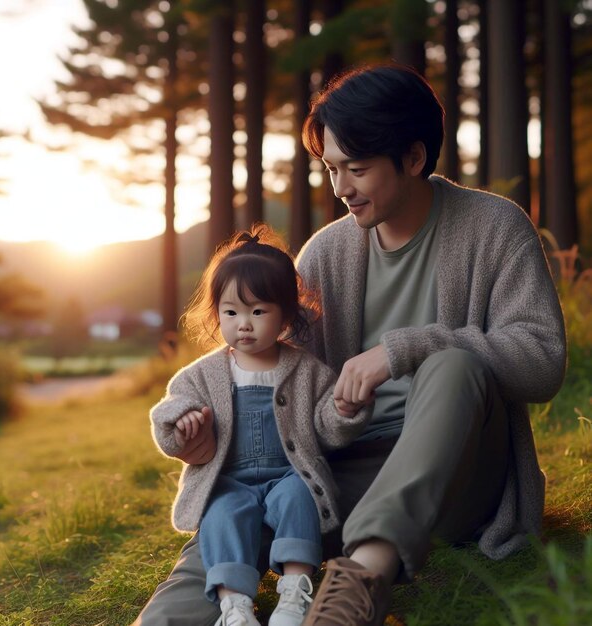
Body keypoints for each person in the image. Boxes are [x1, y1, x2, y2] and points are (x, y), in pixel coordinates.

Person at [132, 63, 566, 626]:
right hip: (345, 468)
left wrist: (405, 349)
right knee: (249, 497)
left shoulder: (494, 227)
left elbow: (543, 361)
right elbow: (276, 377)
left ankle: (359, 583)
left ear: (412, 158)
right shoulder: (323, 255)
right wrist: (210, 438)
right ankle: (169, 619)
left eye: (356, 169)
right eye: (331, 169)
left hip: (458, 473)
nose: (341, 189)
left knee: (453, 365)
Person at [147, 225, 372, 626]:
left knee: (299, 499)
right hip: (229, 478)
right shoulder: (201, 375)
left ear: (286, 314)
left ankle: (294, 592)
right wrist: (180, 423)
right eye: (231, 311)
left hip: (289, 471)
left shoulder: (307, 371)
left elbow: (326, 428)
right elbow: (169, 415)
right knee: (222, 515)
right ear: (216, 313)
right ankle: (234, 605)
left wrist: (345, 409)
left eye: (258, 311)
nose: (244, 324)